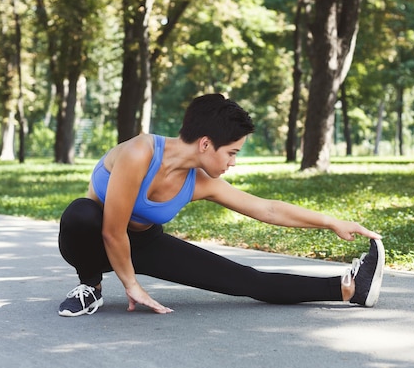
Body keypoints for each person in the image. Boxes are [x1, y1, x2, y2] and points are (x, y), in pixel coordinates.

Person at [57, 93, 385, 316]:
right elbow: (112, 231)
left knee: (248, 280)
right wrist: (133, 286)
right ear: (205, 143)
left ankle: (350, 289)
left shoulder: (200, 182)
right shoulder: (139, 153)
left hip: (143, 244)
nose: (233, 162)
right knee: (81, 213)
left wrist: (331, 222)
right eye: (232, 153)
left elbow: (266, 208)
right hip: (92, 241)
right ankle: (91, 287)